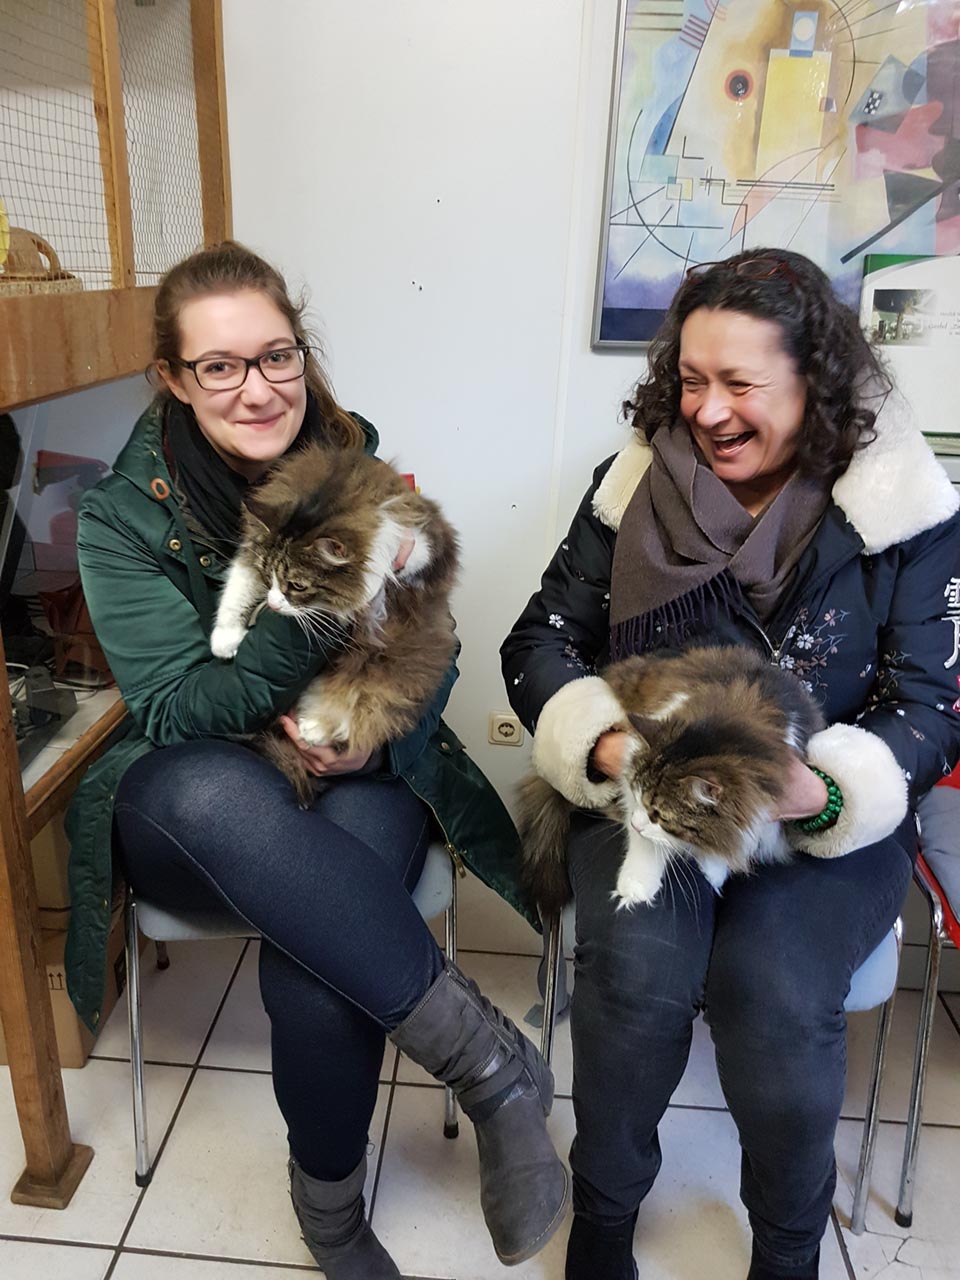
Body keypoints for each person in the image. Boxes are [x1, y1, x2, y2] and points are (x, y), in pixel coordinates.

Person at [64, 241, 568, 1278]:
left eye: (276, 355)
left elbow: (436, 641)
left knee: (319, 978)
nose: (258, 388)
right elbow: (175, 705)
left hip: (361, 758)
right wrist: (314, 608)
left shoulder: (354, 458)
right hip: (203, 790)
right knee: (207, 792)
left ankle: (331, 1220)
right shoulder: (121, 515)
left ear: (302, 350)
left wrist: (373, 724)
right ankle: (492, 1067)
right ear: (172, 377)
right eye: (219, 365)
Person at [501, 249, 960, 1280]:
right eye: (691, 379)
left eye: (741, 384)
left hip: (816, 819)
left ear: (817, 384)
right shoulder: (633, 485)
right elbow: (541, 642)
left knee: (775, 988)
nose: (708, 411)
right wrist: (609, 748)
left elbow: (931, 705)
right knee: (638, 971)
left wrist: (826, 794)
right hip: (651, 796)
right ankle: (605, 1217)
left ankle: (789, 1250)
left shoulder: (904, 509)